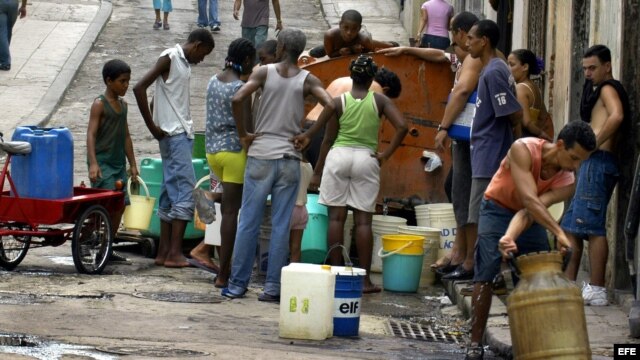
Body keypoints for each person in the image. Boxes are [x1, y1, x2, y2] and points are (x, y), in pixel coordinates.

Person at [466, 120, 596, 359]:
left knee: (537, 276)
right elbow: (528, 199)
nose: (576, 166)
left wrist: (510, 236)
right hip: (496, 207)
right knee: (486, 272)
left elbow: (529, 212)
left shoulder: (567, 181)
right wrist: (558, 233)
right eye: (574, 158)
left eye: (581, 161)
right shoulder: (522, 149)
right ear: (559, 145)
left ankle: (532, 344)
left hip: (531, 218)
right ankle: (475, 344)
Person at [222, 28, 334, 302]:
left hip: (261, 153)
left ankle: (237, 284)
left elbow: (238, 98)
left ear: (281, 46)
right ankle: (273, 288)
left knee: (248, 220)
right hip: (289, 158)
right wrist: (308, 134)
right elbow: (330, 104)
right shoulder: (308, 78)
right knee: (282, 225)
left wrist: (243, 134)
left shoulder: (264, 72)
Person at [378, 12, 482, 281]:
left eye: (458, 35)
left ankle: (468, 259)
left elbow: (461, 92)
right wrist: (407, 49)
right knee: (457, 192)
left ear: (462, 34)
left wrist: (443, 128)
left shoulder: (474, 59)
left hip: (470, 137)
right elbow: (441, 57)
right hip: (467, 138)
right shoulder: (463, 58)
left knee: (466, 197)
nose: (457, 40)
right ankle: (460, 254)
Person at [299, 55, 408, 294]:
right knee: (363, 221)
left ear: (351, 75)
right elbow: (402, 126)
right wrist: (385, 155)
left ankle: (336, 272)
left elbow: (326, 138)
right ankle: (365, 280)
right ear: (371, 79)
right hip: (366, 159)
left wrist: (317, 173)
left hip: (338, 156)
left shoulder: (338, 102)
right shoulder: (379, 101)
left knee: (336, 219)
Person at [133, 29, 215, 268]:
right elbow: (140, 88)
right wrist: (152, 126)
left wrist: (158, 119)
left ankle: (163, 252)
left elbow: (159, 96)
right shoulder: (170, 57)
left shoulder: (182, 64)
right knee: (185, 193)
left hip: (177, 134)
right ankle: (175, 254)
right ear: (197, 45)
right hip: (175, 135)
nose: (203, 59)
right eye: (204, 53)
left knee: (169, 193)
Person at [562, 44, 630, 306]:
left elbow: (617, 116)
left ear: (607, 66)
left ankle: (598, 288)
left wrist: (591, 146)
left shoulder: (608, 88)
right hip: (594, 163)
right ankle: (568, 286)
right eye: (585, 69)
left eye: (593, 68)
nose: (588, 73)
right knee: (573, 226)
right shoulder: (596, 91)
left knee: (592, 228)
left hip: (600, 161)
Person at [454, 19, 521, 282]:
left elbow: (514, 112)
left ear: (485, 41)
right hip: (484, 150)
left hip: (489, 153)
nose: (466, 42)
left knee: (479, 215)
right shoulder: (492, 69)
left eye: (471, 38)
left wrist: (515, 146)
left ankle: (485, 271)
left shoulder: (493, 72)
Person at [202, 38, 256, 288]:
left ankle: (208, 196)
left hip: (212, 153)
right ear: (246, 60)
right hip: (234, 153)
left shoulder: (213, 80)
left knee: (226, 204)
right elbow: (246, 127)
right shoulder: (240, 88)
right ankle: (224, 274)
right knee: (233, 213)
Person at [87, 59, 139, 239]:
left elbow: (126, 136)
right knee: (105, 204)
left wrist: (132, 163)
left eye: (127, 81)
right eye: (122, 81)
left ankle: (108, 242)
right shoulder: (99, 104)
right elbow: (91, 134)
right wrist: (93, 163)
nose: (126, 85)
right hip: (103, 163)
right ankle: (86, 235)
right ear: (109, 81)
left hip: (118, 163)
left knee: (120, 205)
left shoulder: (123, 105)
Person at [308, 10, 397, 59]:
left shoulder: (363, 39)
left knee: (389, 46)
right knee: (314, 53)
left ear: (359, 28)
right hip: (336, 47)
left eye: (354, 29)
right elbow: (330, 56)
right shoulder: (330, 35)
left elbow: (371, 53)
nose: (349, 33)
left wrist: (358, 51)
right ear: (340, 25)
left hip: (362, 41)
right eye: (346, 27)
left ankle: (392, 43)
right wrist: (340, 52)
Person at [507, 49, 553, 141]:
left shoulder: (521, 88)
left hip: (525, 140)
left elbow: (526, 122)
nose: (508, 68)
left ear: (525, 67)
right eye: (507, 64)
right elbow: (544, 117)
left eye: (512, 65)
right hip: (534, 139)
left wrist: (541, 133)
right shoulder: (534, 87)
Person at [289, 156, 313, 263]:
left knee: (279, 245)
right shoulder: (309, 166)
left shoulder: (290, 164)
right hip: (302, 210)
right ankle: (293, 273)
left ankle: (277, 275)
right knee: (296, 247)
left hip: (288, 208)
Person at [0, 0, 26, 71]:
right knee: (8, 30)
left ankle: (5, 62)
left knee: (2, 32)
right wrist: (23, 6)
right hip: (13, 4)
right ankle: (4, 56)